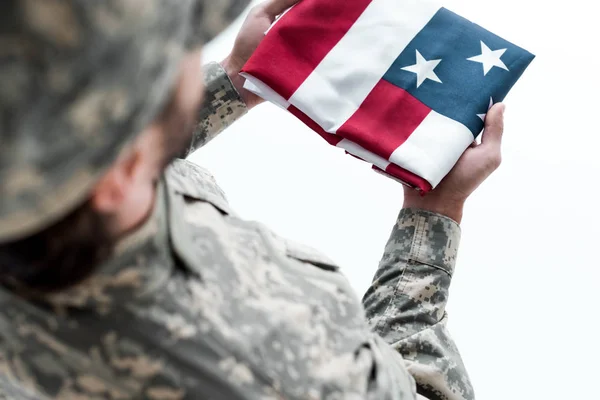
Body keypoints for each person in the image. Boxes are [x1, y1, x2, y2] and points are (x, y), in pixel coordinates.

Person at [0, 0, 505, 399]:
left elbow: (74, 158)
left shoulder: (62, 190)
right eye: (174, 50)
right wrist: (433, 217)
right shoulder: (266, 366)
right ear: (120, 171)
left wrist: (235, 79)